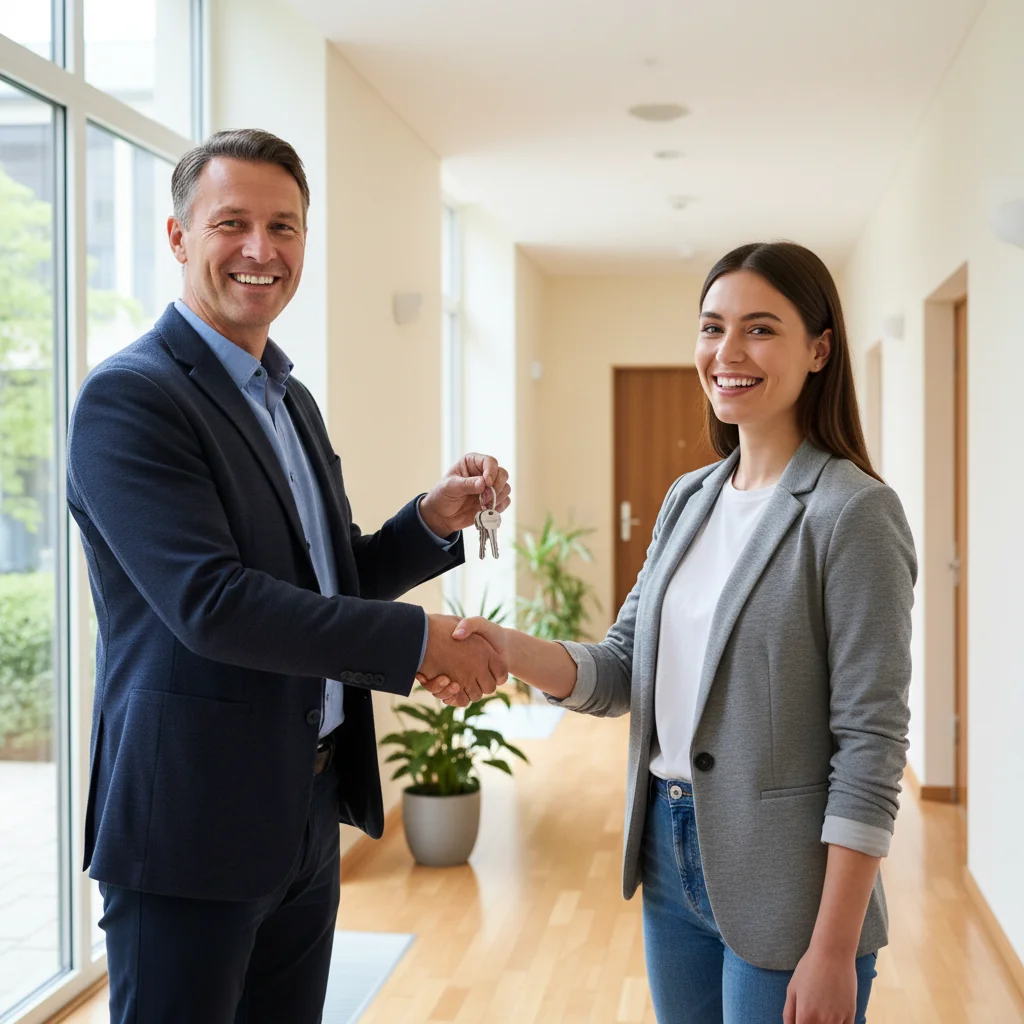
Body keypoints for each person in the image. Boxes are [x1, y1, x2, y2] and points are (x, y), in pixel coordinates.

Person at [67, 128, 510, 1024]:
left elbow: (325, 579)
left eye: (286, 226)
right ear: (179, 236)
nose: (262, 250)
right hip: (188, 825)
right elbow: (212, 603)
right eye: (233, 223)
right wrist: (419, 641)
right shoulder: (131, 398)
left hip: (301, 812)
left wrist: (429, 522)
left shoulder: (286, 396)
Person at [421, 242, 916, 1024]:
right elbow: (622, 668)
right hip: (668, 852)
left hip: (790, 887)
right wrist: (504, 649)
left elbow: (872, 742)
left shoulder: (850, 513)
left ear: (820, 349)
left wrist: (832, 948)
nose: (727, 353)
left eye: (759, 329)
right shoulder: (690, 499)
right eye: (712, 328)